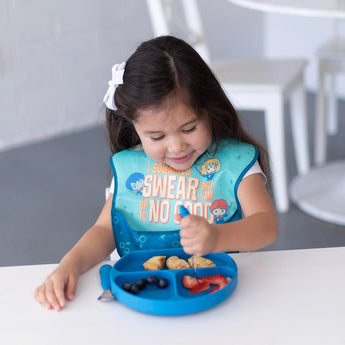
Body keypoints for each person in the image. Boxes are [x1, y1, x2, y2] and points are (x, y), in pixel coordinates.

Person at [34, 35, 278, 311]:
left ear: (209, 111)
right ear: (134, 128)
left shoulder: (234, 161)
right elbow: (105, 229)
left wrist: (216, 237)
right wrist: (70, 264)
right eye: (157, 136)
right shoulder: (131, 167)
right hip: (138, 300)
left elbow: (266, 226)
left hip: (215, 295)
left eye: (189, 129)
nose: (176, 146)